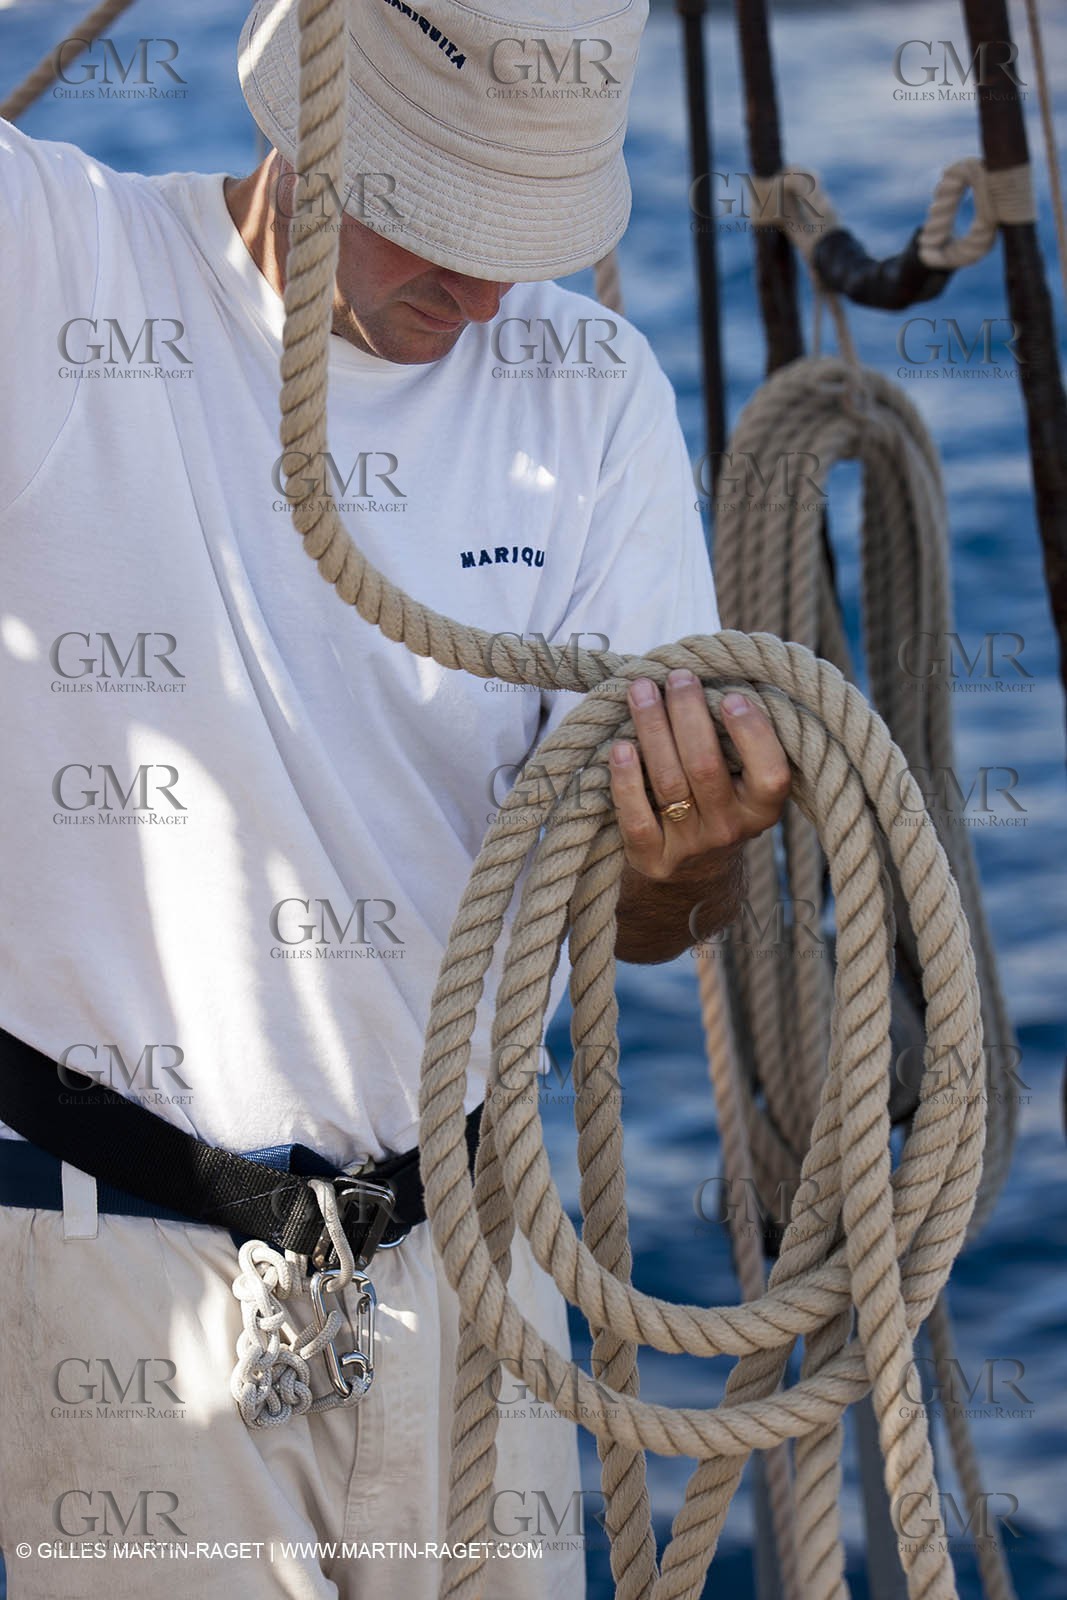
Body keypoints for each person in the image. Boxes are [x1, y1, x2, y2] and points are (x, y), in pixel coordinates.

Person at [0, 0, 790, 1594]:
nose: (483, 283)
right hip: (121, 1280)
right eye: (434, 212)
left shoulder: (592, 393)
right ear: (305, 93)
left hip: (468, 1274)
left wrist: (695, 857)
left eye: (520, 225)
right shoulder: (58, 277)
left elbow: (647, 919)